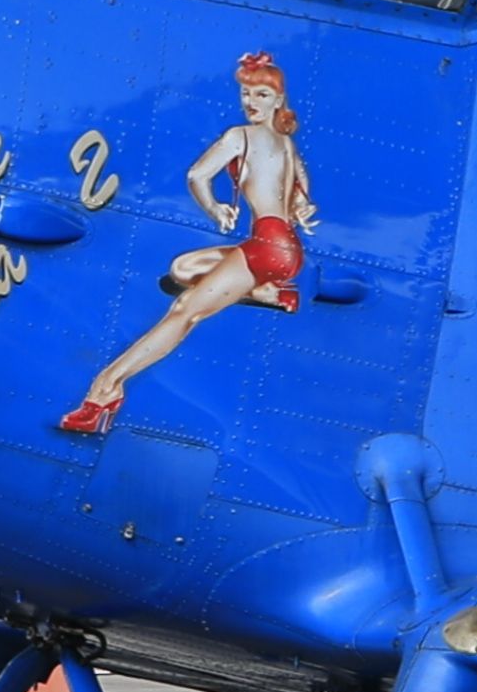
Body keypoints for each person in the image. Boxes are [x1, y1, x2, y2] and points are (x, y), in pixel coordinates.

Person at [50, 54, 316, 433]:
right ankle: (270, 293)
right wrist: (298, 212)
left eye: (260, 94)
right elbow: (302, 198)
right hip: (283, 248)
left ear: (278, 99)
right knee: (184, 269)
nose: (250, 102)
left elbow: (196, 175)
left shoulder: (239, 136)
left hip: (265, 246)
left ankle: (104, 390)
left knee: (184, 311)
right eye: (245, 93)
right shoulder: (286, 145)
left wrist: (214, 208)